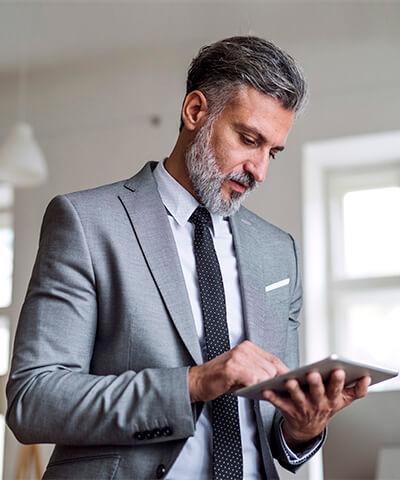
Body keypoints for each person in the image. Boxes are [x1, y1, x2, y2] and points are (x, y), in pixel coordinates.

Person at [6, 36, 370, 480]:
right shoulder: (86, 222)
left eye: (271, 151)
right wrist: (194, 384)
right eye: (248, 139)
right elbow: (34, 400)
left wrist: (303, 426)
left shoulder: (279, 252)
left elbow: (275, 429)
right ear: (196, 112)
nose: (259, 170)